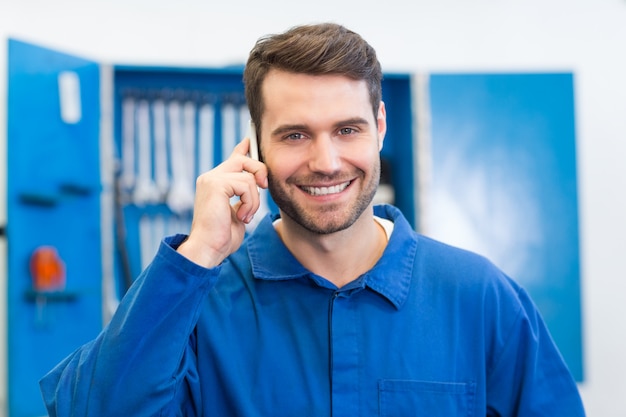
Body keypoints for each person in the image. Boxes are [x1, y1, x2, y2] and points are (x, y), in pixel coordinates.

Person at [40, 23, 586, 416]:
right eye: (295, 134)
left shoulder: (479, 297)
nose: (325, 162)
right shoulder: (199, 307)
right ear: (255, 144)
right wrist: (199, 254)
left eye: (347, 130)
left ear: (380, 127)